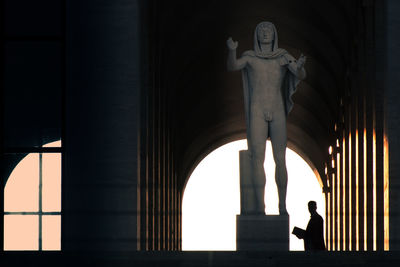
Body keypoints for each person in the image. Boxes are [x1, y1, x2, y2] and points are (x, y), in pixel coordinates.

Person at [226, 22, 306, 215]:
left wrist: (300, 66)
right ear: (256, 35)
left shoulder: (283, 57)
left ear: (274, 34)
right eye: (261, 30)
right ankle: (260, 206)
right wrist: (232, 51)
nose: (264, 32)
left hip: (277, 109)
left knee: (280, 158)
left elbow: (300, 74)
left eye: (268, 29)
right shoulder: (250, 57)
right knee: (257, 159)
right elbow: (233, 66)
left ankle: (282, 205)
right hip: (257, 109)